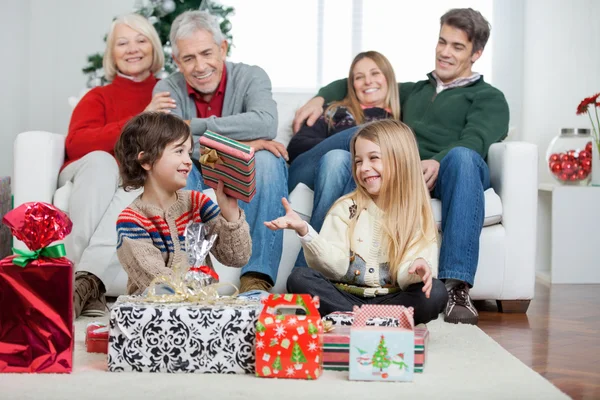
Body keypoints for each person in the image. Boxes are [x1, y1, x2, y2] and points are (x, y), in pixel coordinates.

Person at [291, 8, 510, 325]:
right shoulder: (415, 91)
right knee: (357, 140)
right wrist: (321, 97)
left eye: (457, 47)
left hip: (453, 173)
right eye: (442, 42)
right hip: (403, 172)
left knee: (461, 156)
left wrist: (437, 159)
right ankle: (317, 281)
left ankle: (456, 287)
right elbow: (369, 81)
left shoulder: (489, 97)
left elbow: (476, 138)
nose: (445, 53)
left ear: (476, 53)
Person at [153, 10, 287, 294]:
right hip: (193, 168)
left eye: (207, 53)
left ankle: (256, 278)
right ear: (177, 61)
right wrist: (245, 142)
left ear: (222, 48)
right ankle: (195, 277)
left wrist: (194, 127)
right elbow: (169, 143)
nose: (200, 66)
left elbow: (266, 122)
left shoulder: (251, 76)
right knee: (174, 168)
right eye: (189, 58)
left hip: (239, 170)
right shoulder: (166, 88)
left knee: (268, 158)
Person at [266, 120, 447, 324]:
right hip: (346, 296)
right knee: (299, 278)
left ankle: (353, 319)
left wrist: (418, 267)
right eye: (359, 161)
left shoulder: (416, 214)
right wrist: (305, 231)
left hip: (392, 299)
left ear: (400, 161)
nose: (364, 168)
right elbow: (334, 267)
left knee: (437, 292)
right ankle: (378, 321)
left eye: (373, 158)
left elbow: (411, 274)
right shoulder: (346, 207)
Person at [62, 14, 176, 318]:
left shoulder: (167, 94)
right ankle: (74, 279)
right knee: (103, 163)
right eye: (122, 43)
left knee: (140, 179)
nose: (132, 49)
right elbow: (77, 144)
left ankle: (85, 285)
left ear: (153, 48)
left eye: (141, 41)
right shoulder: (98, 96)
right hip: (89, 169)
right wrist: (139, 118)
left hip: (133, 177)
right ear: (112, 53)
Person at [114, 112, 251, 295]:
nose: (188, 161)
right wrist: (197, 299)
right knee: (159, 291)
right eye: (179, 151)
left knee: (259, 299)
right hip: (157, 311)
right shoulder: (131, 221)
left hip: (201, 307)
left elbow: (237, 258)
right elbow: (157, 281)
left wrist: (231, 215)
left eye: (188, 152)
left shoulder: (198, 203)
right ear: (146, 160)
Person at [287, 50, 399, 173]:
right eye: (359, 77)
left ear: (388, 78)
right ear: (352, 85)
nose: (368, 81)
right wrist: (343, 145)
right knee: (339, 157)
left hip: (372, 176)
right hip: (313, 169)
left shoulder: (400, 118)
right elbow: (295, 147)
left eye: (375, 73)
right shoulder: (335, 111)